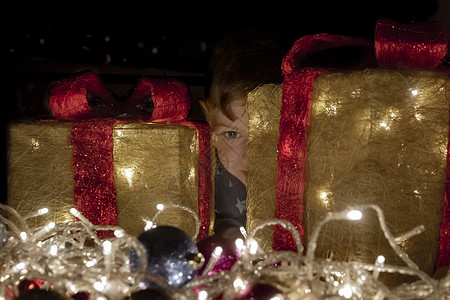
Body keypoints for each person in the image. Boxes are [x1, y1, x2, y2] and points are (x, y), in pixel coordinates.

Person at [200, 27, 288, 239]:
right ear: (208, 119)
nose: (250, 155)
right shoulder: (202, 175)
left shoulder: (302, 177)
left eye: (268, 134)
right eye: (232, 134)